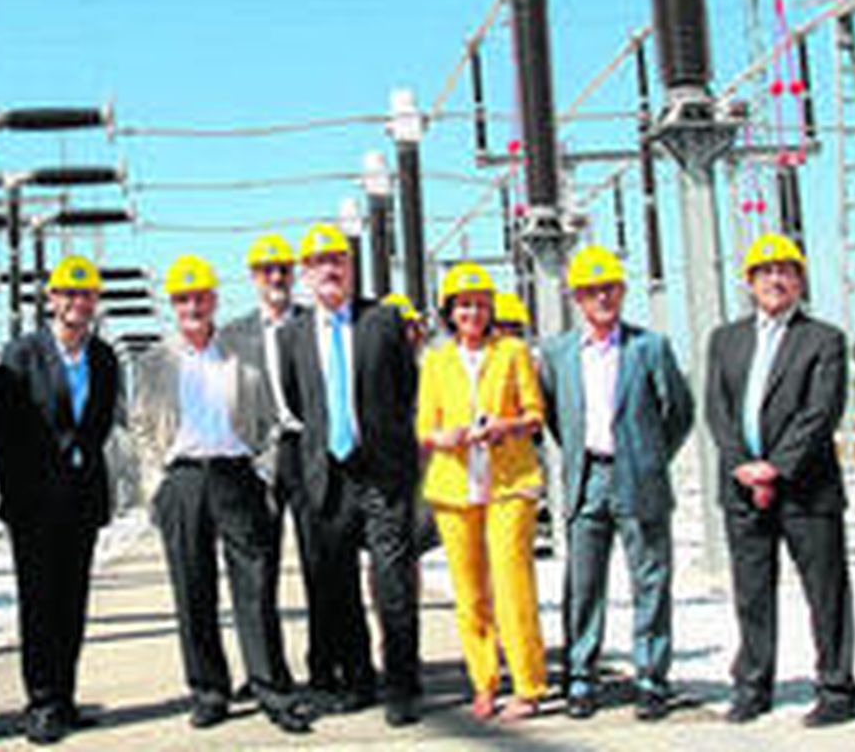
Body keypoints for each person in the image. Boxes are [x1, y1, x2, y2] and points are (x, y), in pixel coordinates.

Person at [131, 254, 313, 735]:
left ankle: (271, 688)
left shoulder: (244, 353)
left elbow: (273, 418)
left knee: (254, 589)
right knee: (193, 591)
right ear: (174, 305)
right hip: (184, 479)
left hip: (237, 475)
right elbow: (141, 427)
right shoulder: (153, 363)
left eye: (201, 297)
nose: (193, 306)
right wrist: (157, 483)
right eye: (184, 299)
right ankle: (209, 691)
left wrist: (263, 472)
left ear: (215, 300)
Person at [705, 233, 855, 728]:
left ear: (800, 281)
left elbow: (821, 412)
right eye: (765, 271)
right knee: (752, 591)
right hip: (741, 489)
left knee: (826, 590)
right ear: (749, 282)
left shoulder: (823, 340)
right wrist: (741, 465)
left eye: (786, 270)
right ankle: (753, 684)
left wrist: (776, 466)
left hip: (807, 488)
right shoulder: (725, 340)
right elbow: (717, 409)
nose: (776, 279)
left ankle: (836, 688)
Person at [539, 244, 693, 722]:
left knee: (650, 580)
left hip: (638, 477)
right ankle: (581, 677)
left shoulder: (650, 347)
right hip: (587, 478)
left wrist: (649, 457)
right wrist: (584, 457)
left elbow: (679, 413)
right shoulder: (559, 353)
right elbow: (555, 416)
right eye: (591, 291)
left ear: (622, 293)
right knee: (583, 584)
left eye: (608, 289)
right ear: (577, 299)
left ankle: (651, 678)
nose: (601, 298)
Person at [279, 223, 422, 726]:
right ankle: (358, 679)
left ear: (349, 265)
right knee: (337, 585)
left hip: (380, 471)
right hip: (329, 475)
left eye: (336, 259)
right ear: (305, 272)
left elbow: (406, 386)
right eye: (318, 261)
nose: (329, 269)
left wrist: (386, 443)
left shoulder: (381, 320)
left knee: (392, 582)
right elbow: (300, 401)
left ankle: (401, 683)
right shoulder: (292, 335)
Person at [0, 255, 121, 745]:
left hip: (82, 501)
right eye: (68, 293)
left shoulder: (104, 358)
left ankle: (65, 696)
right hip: (34, 504)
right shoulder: (21, 355)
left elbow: (100, 425)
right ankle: (41, 701)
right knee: (39, 603)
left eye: (85, 294)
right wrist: (22, 490)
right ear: (51, 301)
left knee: (72, 602)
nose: (76, 303)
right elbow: (2, 434)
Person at [416, 263, 548, 723]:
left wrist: (506, 426)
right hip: (455, 486)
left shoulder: (512, 351)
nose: (471, 312)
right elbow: (423, 428)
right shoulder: (436, 361)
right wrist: (442, 437)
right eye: (463, 304)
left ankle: (529, 684)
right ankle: (484, 681)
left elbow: (535, 414)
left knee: (513, 584)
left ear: (491, 308)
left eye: (479, 304)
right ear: (449, 312)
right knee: (469, 592)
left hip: (509, 481)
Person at [217, 235, 314, 680]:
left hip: (309, 452)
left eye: (283, 269)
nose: (276, 277)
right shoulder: (232, 336)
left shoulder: (316, 324)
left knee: (324, 563)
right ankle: (266, 671)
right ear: (253, 277)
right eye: (266, 270)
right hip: (257, 459)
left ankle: (327, 665)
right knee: (258, 571)